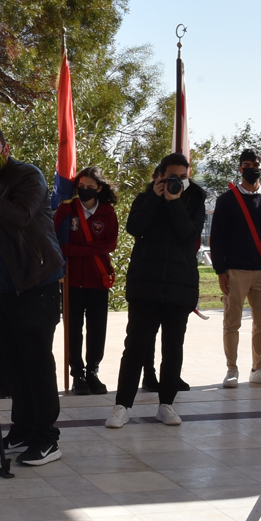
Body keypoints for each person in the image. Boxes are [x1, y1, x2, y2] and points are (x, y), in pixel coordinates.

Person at [0, 125, 66, 466]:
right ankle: (22, 429)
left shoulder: (27, 175)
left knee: (36, 362)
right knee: (11, 364)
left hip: (35, 282)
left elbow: (22, 217)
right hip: (2, 286)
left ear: (5, 147)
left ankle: (47, 438)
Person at [106, 154, 206, 428]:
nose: (176, 182)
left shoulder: (196, 201)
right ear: (158, 175)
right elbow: (134, 227)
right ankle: (122, 405)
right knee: (135, 347)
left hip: (180, 284)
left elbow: (188, 235)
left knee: (172, 348)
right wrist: (155, 198)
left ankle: (167, 404)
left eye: (181, 177)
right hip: (145, 284)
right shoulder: (144, 198)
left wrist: (174, 203)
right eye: (169, 177)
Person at [209, 148, 261, 387]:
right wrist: (220, 270)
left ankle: (258, 368)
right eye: (246, 164)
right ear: (240, 169)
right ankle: (231, 369)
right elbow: (217, 238)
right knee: (232, 322)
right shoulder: (227, 200)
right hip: (236, 270)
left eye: (255, 163)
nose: (251, 168)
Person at [54, 166, 119, 395]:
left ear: (99, 189)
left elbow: (109, 244)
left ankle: (93, 371)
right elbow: (55, 240)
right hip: (71, 279)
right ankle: (77, 374)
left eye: (90, 188)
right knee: (73, 328)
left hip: (97, 279)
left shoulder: (108, 212)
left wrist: (75, 250)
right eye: (80, 187)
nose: (84, 191)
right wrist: (73, 251)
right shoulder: (66, 210)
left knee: (97, 328)